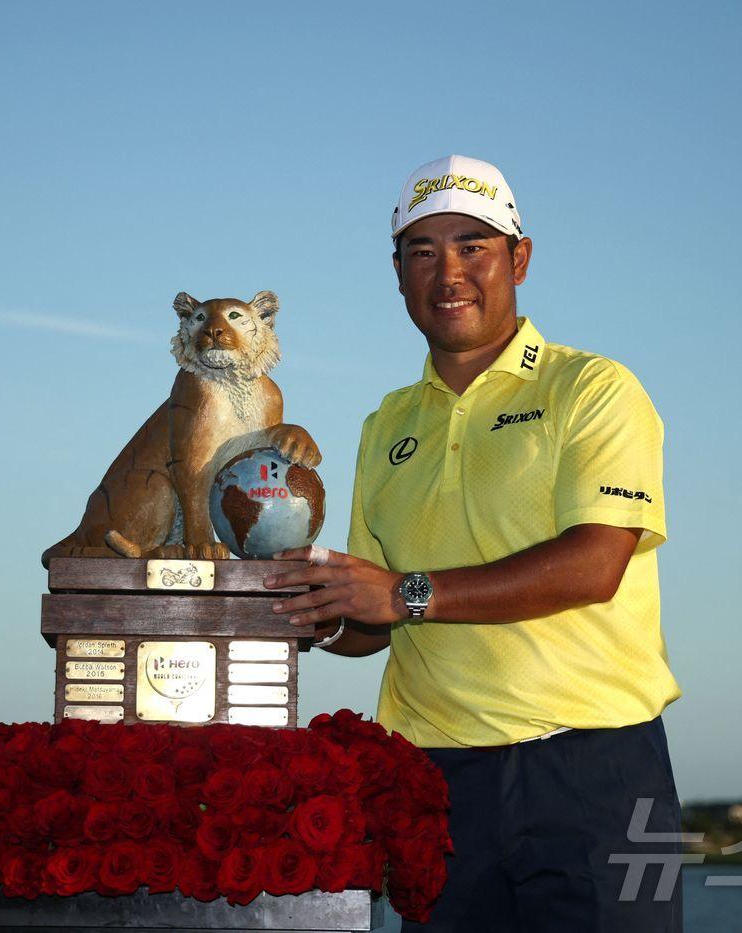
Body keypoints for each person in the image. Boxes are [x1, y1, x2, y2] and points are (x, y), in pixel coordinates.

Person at [265, 155, 684, 932]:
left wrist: (403, 593)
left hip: (598, 768)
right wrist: (306, 611)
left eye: (472, 246)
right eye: (422, 251)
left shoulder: (593, 387)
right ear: (398, 273)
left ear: (519, 258)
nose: (448, 272)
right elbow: (371, 619)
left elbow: (596, 563)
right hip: (437, 780)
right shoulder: (386, 424)